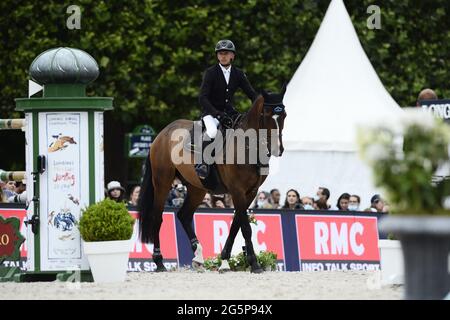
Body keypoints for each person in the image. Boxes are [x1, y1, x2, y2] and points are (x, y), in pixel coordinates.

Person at [195, 39, 258, 179]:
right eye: (220, 53)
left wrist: (262, 103)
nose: (223, 56)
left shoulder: (238, 73)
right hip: (211, 112)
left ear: (232, 56)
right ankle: (202, 164)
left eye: (226, 53)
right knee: (211, 132)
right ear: (217, 56)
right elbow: (202, 98)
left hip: (229, 112)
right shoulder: (210, 73)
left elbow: (252, 94)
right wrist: (216, 114)